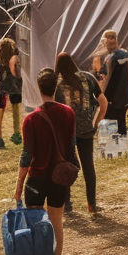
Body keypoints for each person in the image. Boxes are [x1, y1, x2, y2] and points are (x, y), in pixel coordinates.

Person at [14, 67, 77, 255]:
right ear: (56, 87)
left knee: (37, 224)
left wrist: (19, 185)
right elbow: (71, 146)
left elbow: (26, 155)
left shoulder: (30, 119)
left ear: (39, 89)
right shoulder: (69, 113)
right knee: (57, 222)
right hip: (59, 177)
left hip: (36, 179)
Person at [54, 52, 106, 214]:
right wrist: (95, 123)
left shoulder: (58, 84)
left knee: (65, 166)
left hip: (65, 132)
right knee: (88, 166)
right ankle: (92, 204)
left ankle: (67, 205)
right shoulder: (88, 77)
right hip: (86, 129)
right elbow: (103, 103)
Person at [100, 36, 128, 136]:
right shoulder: (125, 54)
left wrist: (104, 95)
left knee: (110, 125)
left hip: (112, 97)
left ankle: (113, 146)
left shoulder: (111, 58)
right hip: (124, 96)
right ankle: (122, 144)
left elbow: (107, 78)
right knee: (121, 123)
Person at [0, 35, 23, 148]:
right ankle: (16, 134)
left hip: (2, 89)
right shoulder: (14, 59)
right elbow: (15, 73)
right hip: (15, 89)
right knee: (16, 114)